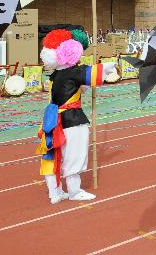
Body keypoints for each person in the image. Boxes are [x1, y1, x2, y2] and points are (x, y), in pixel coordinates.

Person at [36, 29, 117, 204]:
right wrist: (112, 64)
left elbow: (77, 86)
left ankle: (55, 192)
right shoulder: (73, 72)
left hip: (52, 120)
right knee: (75, 155)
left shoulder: (55, 75)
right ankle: (74, 191)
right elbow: (95, 73)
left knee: (52, 155)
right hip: (72, 119)